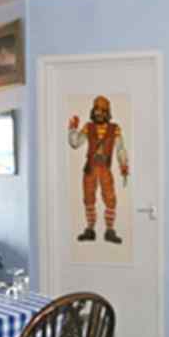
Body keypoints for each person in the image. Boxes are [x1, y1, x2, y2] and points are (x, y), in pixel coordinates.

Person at [68, 96, 129, 244]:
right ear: (93, 111)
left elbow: (120, 149)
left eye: (102, 110)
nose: (99, 113)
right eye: (97, 110)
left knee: (110, 197)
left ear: (107, 112)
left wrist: (123, 165)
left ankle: (109, 230)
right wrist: (73, 129)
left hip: (105, 168)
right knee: (88, 197)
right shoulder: (88, 127)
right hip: (90, 167)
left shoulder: (115, 129)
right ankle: (90, 229)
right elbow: (75, 143)